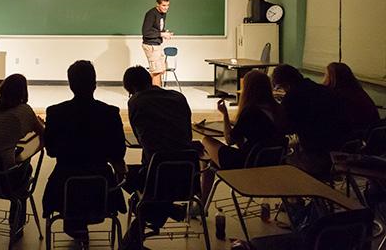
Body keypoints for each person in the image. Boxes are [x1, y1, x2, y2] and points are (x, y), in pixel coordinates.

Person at [43, 60, 126, 242]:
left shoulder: (55, 113)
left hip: (63, 185)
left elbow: (51, 151)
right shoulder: (110, 113)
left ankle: (74, 224)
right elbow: (118, 151)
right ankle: (78, 225)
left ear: (70, 85)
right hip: (102, 185)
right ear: (95, 84)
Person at [120, 65, 198, 249]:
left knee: (120, 174)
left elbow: (142, 140)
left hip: (157, 175)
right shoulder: (179, 97)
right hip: (188, 175)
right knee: (155, 179)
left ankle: (134, 240)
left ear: (131, 89)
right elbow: (187, 134)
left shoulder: (136, 102)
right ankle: (169, 209)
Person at [201, 70, 285, 203]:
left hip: (246, 165)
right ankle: (202, 203)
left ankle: (201, 202)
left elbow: (229, 140)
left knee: (205, 141)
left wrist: (225, 115)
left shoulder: (250, 112)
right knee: (211, 163)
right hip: (269, 165)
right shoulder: (278, 110)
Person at [0, 73, 44, 228]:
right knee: (27, 168)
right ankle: (16, 224)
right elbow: (42, 133)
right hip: (3, 179)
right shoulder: (23, 111)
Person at [272, 64, 351, 178]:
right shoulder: (323, 90)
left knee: (281, 159)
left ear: (284, 84)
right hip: (339, 151)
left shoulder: (293, 97)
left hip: (317, 156)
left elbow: (284, 128)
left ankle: (294, 193)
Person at [323, 62, 380, 136]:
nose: (323, 79)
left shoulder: (339, 99)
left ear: (332, 79)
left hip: (352, 141)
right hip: (366, 140)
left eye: (325, 75)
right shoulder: (359, 93)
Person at [142, 0, 173, 87]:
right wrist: (162, 34)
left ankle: (156, 92)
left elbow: (157, 29)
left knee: (162, 69)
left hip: (157, 44)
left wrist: (165, 33)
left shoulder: (163, 14)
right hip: (150, 45)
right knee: (156, 71)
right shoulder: (151, 14)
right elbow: (145, 32)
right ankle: (155, 94)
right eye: (163, 5)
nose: (166, 8)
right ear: (157, 4)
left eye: (167, 5)